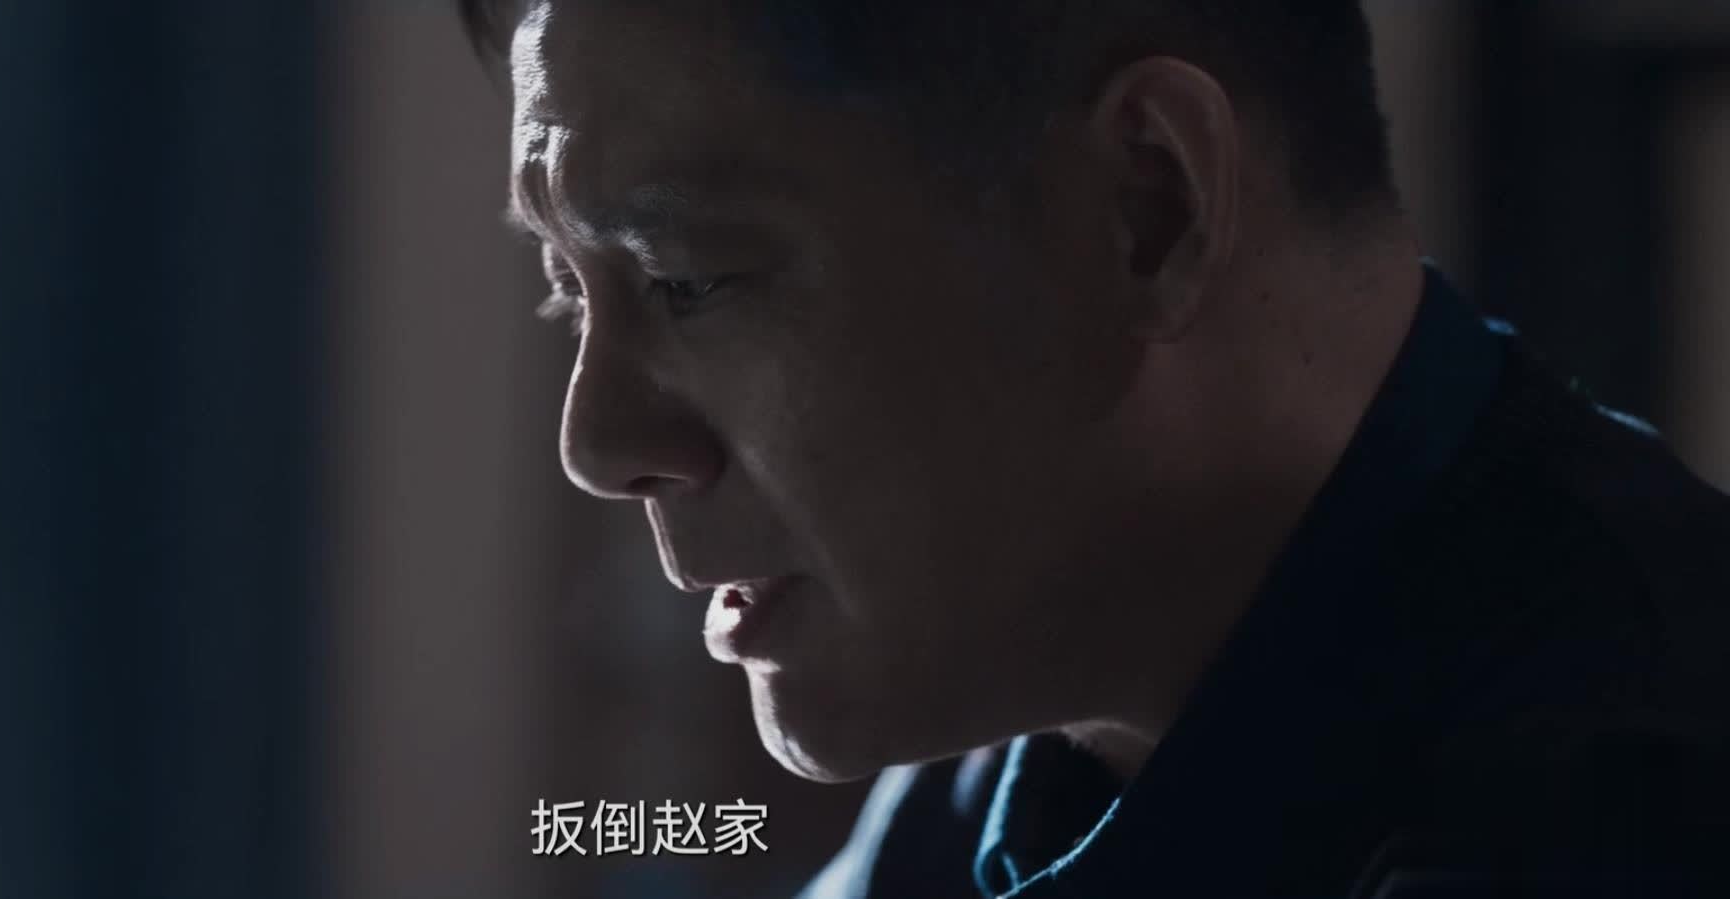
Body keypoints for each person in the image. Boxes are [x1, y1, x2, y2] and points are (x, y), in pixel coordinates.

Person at [454, 1, 1730, 895]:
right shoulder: (1026, 759)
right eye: (571, 289)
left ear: (1144, 206)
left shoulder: (1617, 806)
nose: (599, 443)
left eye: (688, 277)